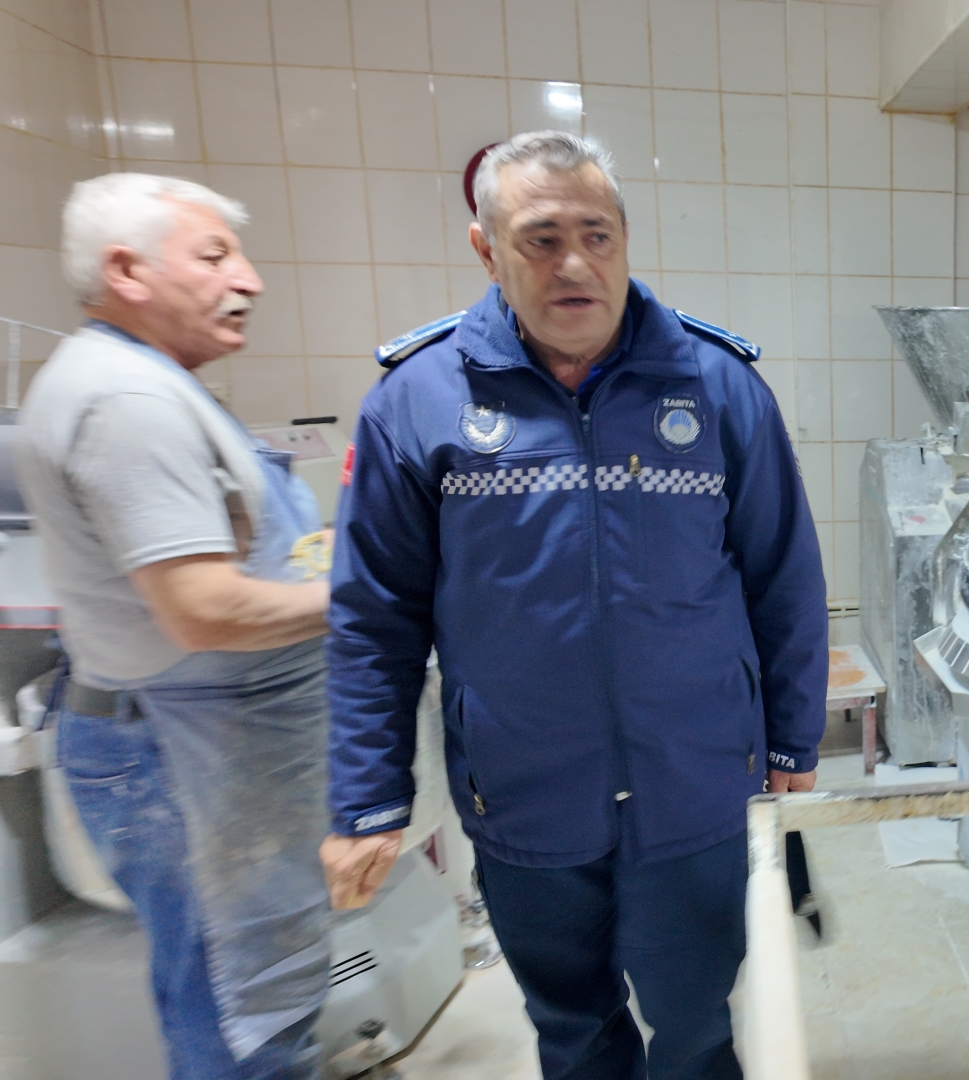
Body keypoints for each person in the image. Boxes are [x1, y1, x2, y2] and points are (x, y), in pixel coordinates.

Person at [321, 131, 827, 1079]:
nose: (575, 265)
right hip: (522, 794)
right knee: (574, 1032)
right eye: (541, 239)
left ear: (626, 239)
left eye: (597, 235)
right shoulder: (417, 401)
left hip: (694, 783)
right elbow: (374, 616)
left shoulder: (717, 386)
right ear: (486, 250)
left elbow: (784, 576)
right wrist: (368, 796)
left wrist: (795, 740)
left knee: (696, 1026)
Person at [19, 174, 334, 1078]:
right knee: (242, 1011)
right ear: (127, 270)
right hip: (182, 760)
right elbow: (204, 610)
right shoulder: (128, 399)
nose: (250, 279)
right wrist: (381, 592)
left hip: (202, 747)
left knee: (241, 996)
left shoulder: (139, 378)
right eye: (215, 255)